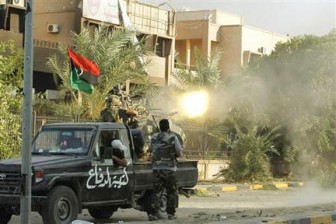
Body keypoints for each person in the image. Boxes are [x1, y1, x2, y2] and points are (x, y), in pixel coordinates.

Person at [148, 119, 183, 221]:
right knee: (171, 192)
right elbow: (179, 153)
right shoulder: (173, 137)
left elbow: (150, 150)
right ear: (168, 127)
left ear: (159, 127)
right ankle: (171, 214)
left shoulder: (154, 137)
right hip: (169, 169)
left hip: (157, 169)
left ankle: (153, 214)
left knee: (156, 192)